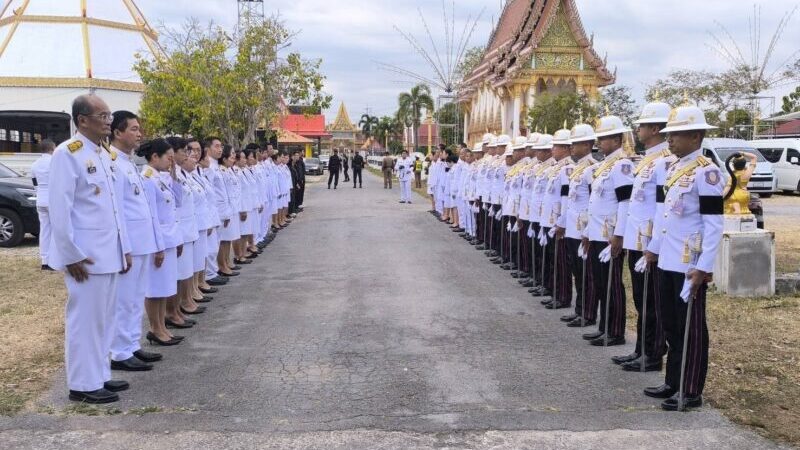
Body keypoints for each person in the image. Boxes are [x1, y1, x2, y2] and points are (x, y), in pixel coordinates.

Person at [48, 94, 132, 403]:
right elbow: (60, 209)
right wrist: (71, 255)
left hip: (108, 252)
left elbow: (112, 208)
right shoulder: (66, 154)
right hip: (85, 255)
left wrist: (125, 248)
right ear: (82, 120)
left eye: (110, 116)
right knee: (85, 320)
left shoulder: (102, 154)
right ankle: (82, 386)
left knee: (104, 319)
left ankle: (99, 375)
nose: (109, 121)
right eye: (103, 115)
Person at [644, 105, 723, 411]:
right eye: (669, 134)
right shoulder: (674, 169)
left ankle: (690, 389)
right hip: (667, 259)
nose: (671, 140)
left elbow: (714, 224)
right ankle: (672, 381)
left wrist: (703, 268)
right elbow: (665, 217)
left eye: (676, 134)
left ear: (696, 136)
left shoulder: (707, 172)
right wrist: (652, 249)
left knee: (691, 328)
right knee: (671, 326)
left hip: (689, 264)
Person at [615, 101, 673, 372]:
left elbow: (662, 209)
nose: (638, 129)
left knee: (651, 301)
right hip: (636, 240)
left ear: (657, 128)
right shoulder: (647, 160)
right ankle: (641, 349)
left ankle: (652, 354)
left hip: (650, 242)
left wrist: (654, 245)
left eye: (643, 125)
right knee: (641, 298)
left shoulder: (664, 162)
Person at [108, 111, 164, 372]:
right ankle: (119, 352)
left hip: (143, 243)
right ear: (117, 132)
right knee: (125, 299)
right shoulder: (112, 164)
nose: (139, 133)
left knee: (136, 297)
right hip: (130, 244)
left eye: (139, 129)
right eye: (133, 129)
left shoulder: (129, 163)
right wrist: (124, 247)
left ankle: (131, 345)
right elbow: (117, 210)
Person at [581, 115, 635, 347]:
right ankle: (604, 327)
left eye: (603, 138)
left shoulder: (622, 165)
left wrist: (619, 234)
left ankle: (615, 331)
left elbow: (625, 202)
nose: (600, 142)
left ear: (616, 139)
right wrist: (587, 230)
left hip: (609, 233)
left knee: (612, 284)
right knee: (601, 283)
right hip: (596, 232)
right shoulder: (604, 165)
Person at [557, 124, 598, 327]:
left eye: (576, 144)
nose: (572, 147)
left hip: (583, 228)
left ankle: (588, 313)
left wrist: (589, 230)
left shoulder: (592, 168)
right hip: (573, 227)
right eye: (571, 144)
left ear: (588, 144)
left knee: (586, 273)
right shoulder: (578, 168)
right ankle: (579, 309)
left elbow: (594, 202)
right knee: (576, 271)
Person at [30, 139, 55, 270]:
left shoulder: (34, 164)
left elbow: (35, 183)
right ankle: (55, 260)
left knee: (44, 230)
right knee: (57, 230)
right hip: (53, 199)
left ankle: (45, 261)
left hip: (40, 198)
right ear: (52, 148)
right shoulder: (55, 162)